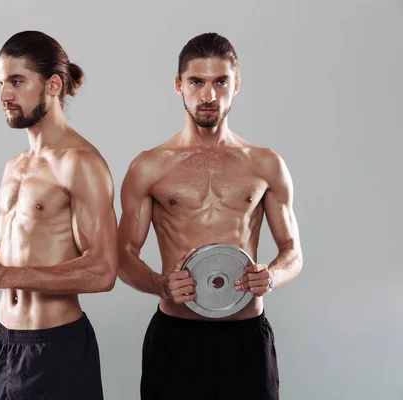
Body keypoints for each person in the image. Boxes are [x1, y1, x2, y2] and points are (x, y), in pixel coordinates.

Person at [0, 30, 118, 400]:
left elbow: (103, 270)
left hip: (56, 348)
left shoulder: (81, 164)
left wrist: (5, 275)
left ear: (53, 85)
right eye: (0, 83)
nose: (3, 95)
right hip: (8, 347)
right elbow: (8, 257)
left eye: (16, 81)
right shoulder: (15, 166)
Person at [117, 32, 303, 400]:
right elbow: (122, 255)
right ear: (178, 86)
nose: (208, 95)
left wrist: (273, 276)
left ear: (236, 86)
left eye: (220, 81)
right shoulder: (149, 167)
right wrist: (160, 284)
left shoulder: (265, 164)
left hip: (246, 336)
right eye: (196, 82)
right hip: (176, 336)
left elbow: (292, 251)